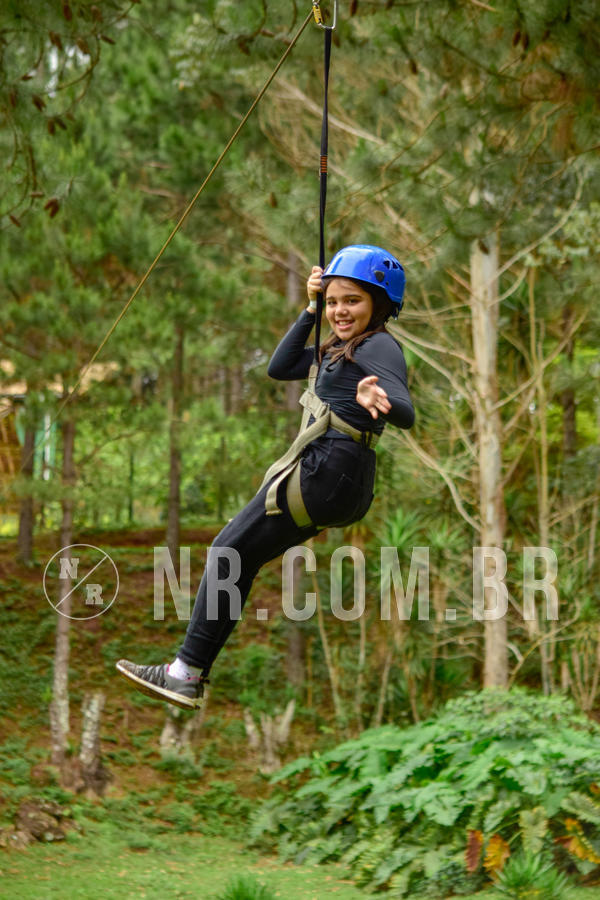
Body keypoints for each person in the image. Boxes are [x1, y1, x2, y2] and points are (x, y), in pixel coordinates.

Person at [116, 244, 414, 709]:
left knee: (227, 549)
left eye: (352, 300)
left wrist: (374, 395)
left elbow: (407, 411)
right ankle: (187, 674)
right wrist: (310, 308)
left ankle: (184, 673)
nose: (340, 310)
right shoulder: (338, 350)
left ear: (380, 304)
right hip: (343, 482)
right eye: (334, 301)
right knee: (240, 556)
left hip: (327, 470)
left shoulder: (377, 346)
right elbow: (280, 367)